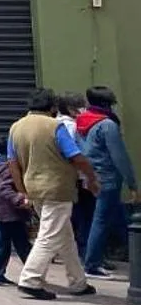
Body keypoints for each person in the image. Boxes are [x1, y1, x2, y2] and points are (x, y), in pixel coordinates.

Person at [8, 88, 100, 299]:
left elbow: (12, 163)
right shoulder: (54, 126)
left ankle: (78, 282)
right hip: (57, 189)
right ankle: (30, 279)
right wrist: (91, 179)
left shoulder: (16, 128)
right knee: (49, 236)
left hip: (34, 188)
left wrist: (22, 191)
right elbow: (76, 156)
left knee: (65, 236)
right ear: (52, 108)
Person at [78, 86, 136, 277]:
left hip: (90, 177)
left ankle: (95, 258)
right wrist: (132, 183)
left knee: (97, 219)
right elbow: (119, 156)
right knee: (101, 220)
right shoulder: (107, 125)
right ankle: (92, 263)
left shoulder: (82, 121)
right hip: (107, 179)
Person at [0, 134, 34, 285]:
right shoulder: (7, 167)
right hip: (9, 213)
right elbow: (3, 188)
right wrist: (19, 199)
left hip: (2, 211)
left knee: (8, 243)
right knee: (17, 244)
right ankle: (33, 271)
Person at [59, 92, 94, 251]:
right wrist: (90, 177)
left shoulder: (53, 124)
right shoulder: (74, 127)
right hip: (78, 180)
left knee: (70, 218)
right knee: (85, 217)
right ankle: (85, 251)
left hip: (62, 179)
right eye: (81, 106)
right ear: (71, 109)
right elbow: (79, 155)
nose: (84, 109)